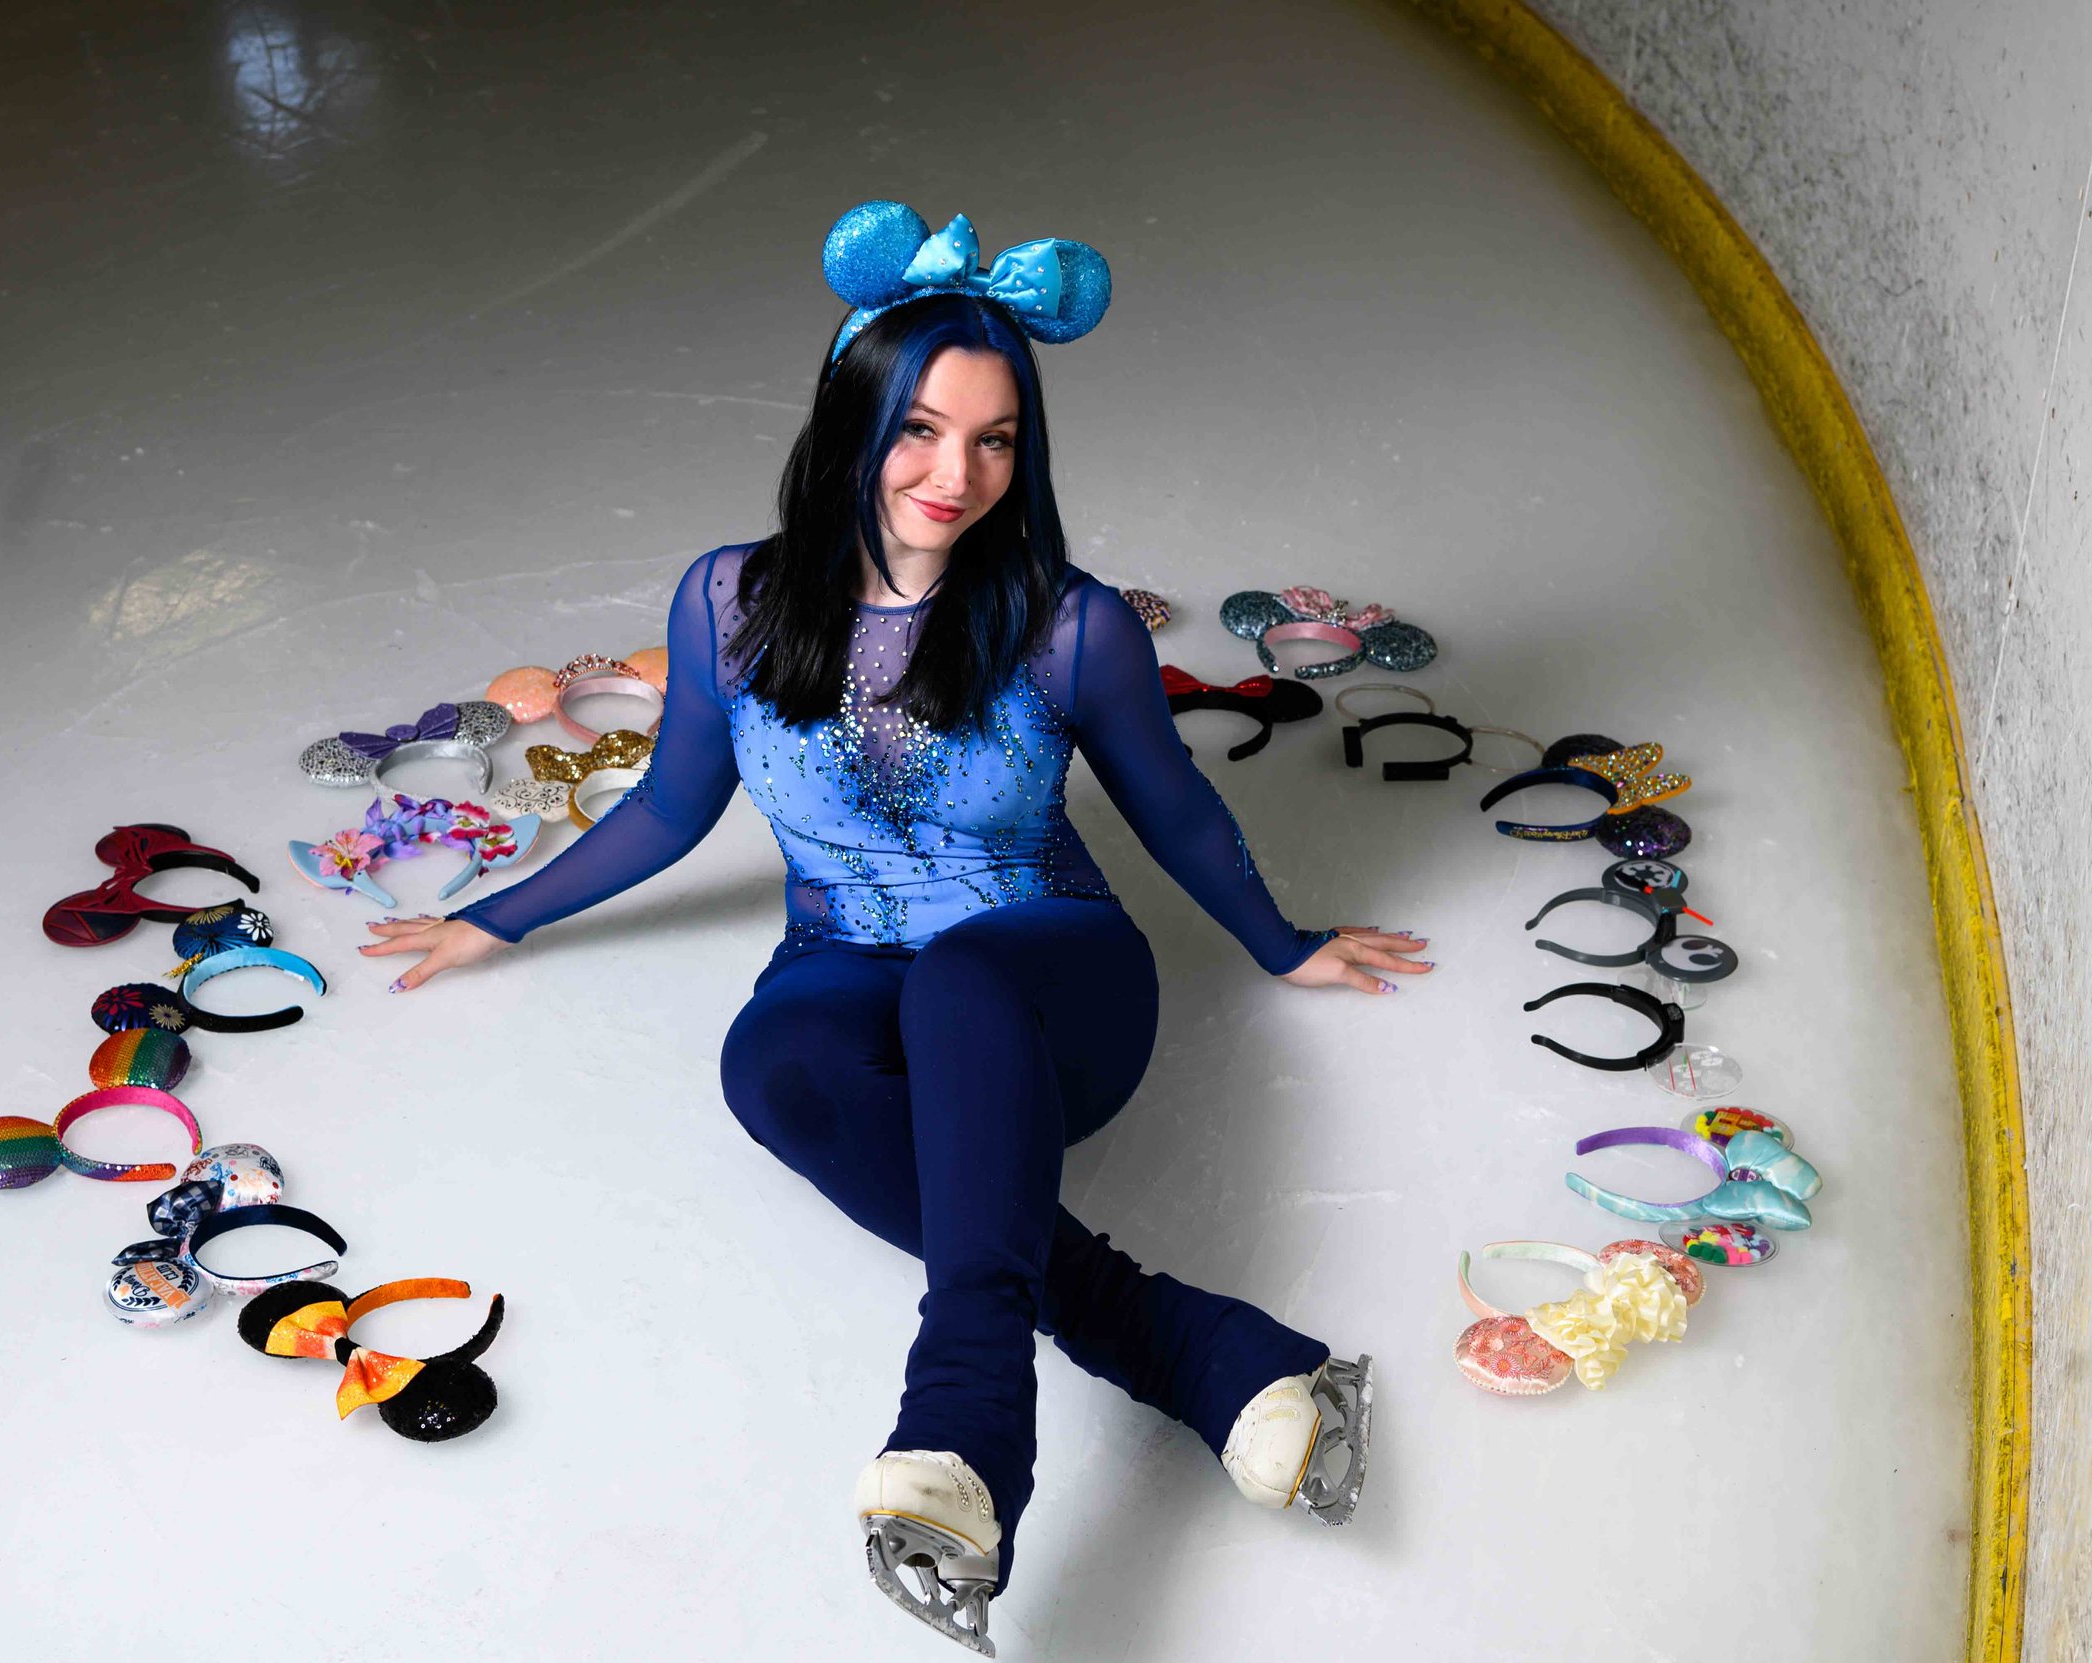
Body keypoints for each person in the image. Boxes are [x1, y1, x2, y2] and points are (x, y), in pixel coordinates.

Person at [361, 201, 1425, 1656]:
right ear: (850, 424)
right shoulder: (729, 600)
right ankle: (1195, 1348)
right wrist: (501, 918)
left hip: (1050, 975)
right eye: (921, 431)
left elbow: (1173, 810)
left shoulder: (1069, 623)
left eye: (995, 442)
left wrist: (1281, 941)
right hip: (840, 962)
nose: (956, 474)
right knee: (771, 1073)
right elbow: (674, 809)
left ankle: (967, 1423)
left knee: (966, 987)